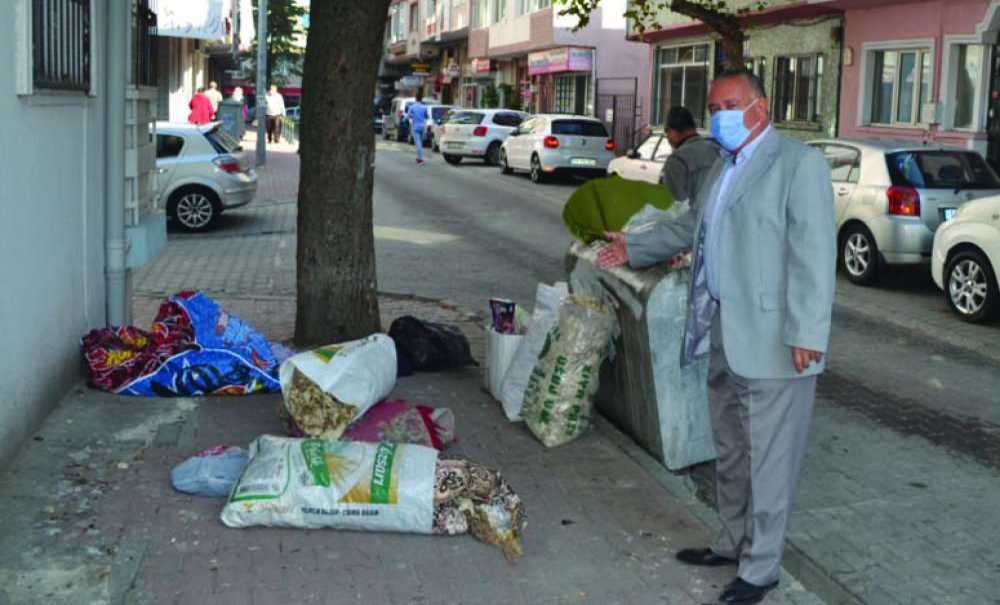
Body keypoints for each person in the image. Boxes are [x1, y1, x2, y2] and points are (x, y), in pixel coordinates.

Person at [597, 70, 836, 605]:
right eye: (713, 107)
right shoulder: (722, 167)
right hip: (725, 327)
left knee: (770, 458)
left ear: (760, 107)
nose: (720, 116)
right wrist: (634, 244)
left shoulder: (798, 165)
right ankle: (731, 542)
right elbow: (690, 227)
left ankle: (761, 568)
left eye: (730, 105)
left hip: (778, 339)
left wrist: (807, 333)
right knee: (730, 447)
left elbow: (815, 254)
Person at [661, 106, 721, 205]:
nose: (667, 137)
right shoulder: (718, 149)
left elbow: (678, 203)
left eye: (667, 131)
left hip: (697, 213)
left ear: (672, 131)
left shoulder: (676, 160)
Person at [406, 92, 429, 165]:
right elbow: (427, 116)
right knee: (420, 143)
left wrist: (411, 117)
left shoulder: (412, 107)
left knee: (418, 143)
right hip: (422, 126)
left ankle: (420, 159)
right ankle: (418, 157)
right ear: (421, 99)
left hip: (415, 127)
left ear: (415, 99)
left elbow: (407, 116)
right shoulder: (424, 107)